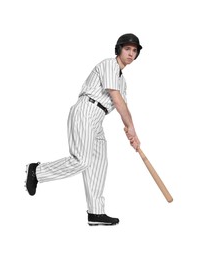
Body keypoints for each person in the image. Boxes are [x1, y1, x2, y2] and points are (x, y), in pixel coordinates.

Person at [25, 33, 142, 226]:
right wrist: (132, 128)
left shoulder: (123, 82)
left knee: (99, 163)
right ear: (119, 49)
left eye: (134, 50)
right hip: (86, 110)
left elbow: (124, 109)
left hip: (98, 118)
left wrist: (131, 134)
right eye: (127, 49)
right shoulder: (108, 65)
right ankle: (37, 171)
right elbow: (117, 100)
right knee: (82, 160)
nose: (131, 53)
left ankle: (96, 212)